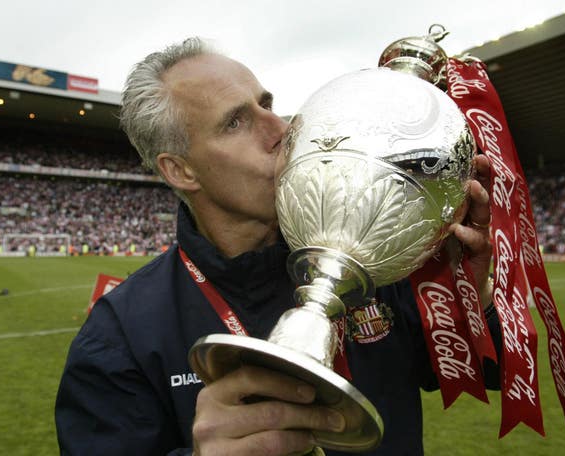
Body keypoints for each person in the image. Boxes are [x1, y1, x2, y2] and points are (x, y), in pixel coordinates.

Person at [55, 37, 501, 456]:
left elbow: (481, 372)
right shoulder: (121, 335)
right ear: (181, 170)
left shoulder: (374, 253)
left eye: (266, 104)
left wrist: (471, 297)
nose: (281, 127)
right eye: (236, 122)